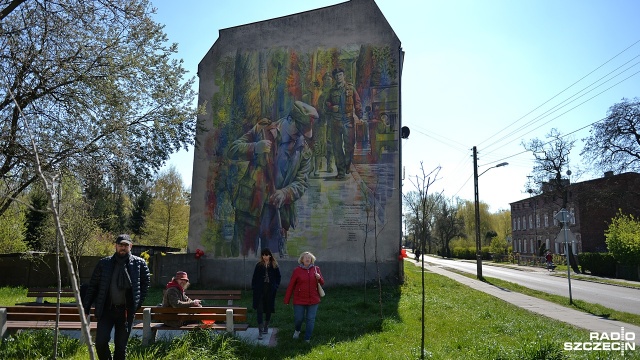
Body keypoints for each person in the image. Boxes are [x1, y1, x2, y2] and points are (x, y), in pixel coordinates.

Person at [227, 100, 317, 257]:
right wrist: (255, 147)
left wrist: (285, 193)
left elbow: (302, 182)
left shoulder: (305, 151)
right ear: (290, 120)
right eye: (298, 130)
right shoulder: (263, 129)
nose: (300, 136)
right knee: (242, 257)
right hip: (250, 206)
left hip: (277, 213)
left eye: (303, 132)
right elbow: (232, 150)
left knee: (273, 263)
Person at [83, 234, 150, 360]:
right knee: (100, 343)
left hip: (126, 312)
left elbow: (145, 284)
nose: (123, 248)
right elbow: (93, 286)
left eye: (126, 245)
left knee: (120, 347)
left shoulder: (139, 263)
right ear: (116, 246)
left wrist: (137, 303)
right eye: (120, 245)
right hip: (106, 311)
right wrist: (86, 308)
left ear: (131, 246)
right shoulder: (104, 263)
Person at [324, 68, 362, 180]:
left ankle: (347, 165)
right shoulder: (331, 91)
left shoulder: (351, 88)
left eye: (340, 75)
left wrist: (360, 116)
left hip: (348, 120)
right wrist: (331, 107)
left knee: (349, 146)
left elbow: (357, 102)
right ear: (335, 78)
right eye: (336, 76)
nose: (338, 77)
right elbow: (326, 105)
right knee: (337, 147)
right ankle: (340, 171)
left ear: (343, 76)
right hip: (336, 121)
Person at [284, 251, 324, 343]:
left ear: (312, 260)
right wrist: (287, 299)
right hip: (299, 300)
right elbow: (291, 285)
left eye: (309, 257)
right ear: (302, 260)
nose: (307, 259)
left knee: (310, 319)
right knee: (299, 319)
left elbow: (322, 282)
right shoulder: (297, 270)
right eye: (305, 257)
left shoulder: (316, 269)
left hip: (313, 299)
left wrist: (319, 278)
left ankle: (307, 338)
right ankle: (297, 330)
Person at [251, 248, 281, 340]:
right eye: (263, 255)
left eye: (267, 255)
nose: (265, 257)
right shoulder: (259, 265)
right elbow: (254, 277)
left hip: (270, 289)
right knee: (259, 309)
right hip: (260, 290)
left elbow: (278, 277)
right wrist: (255, 287)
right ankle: (260, 331)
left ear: (270, 255)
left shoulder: (274, 265)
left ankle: (266, 326)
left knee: (268, 308)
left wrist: (275, 286)